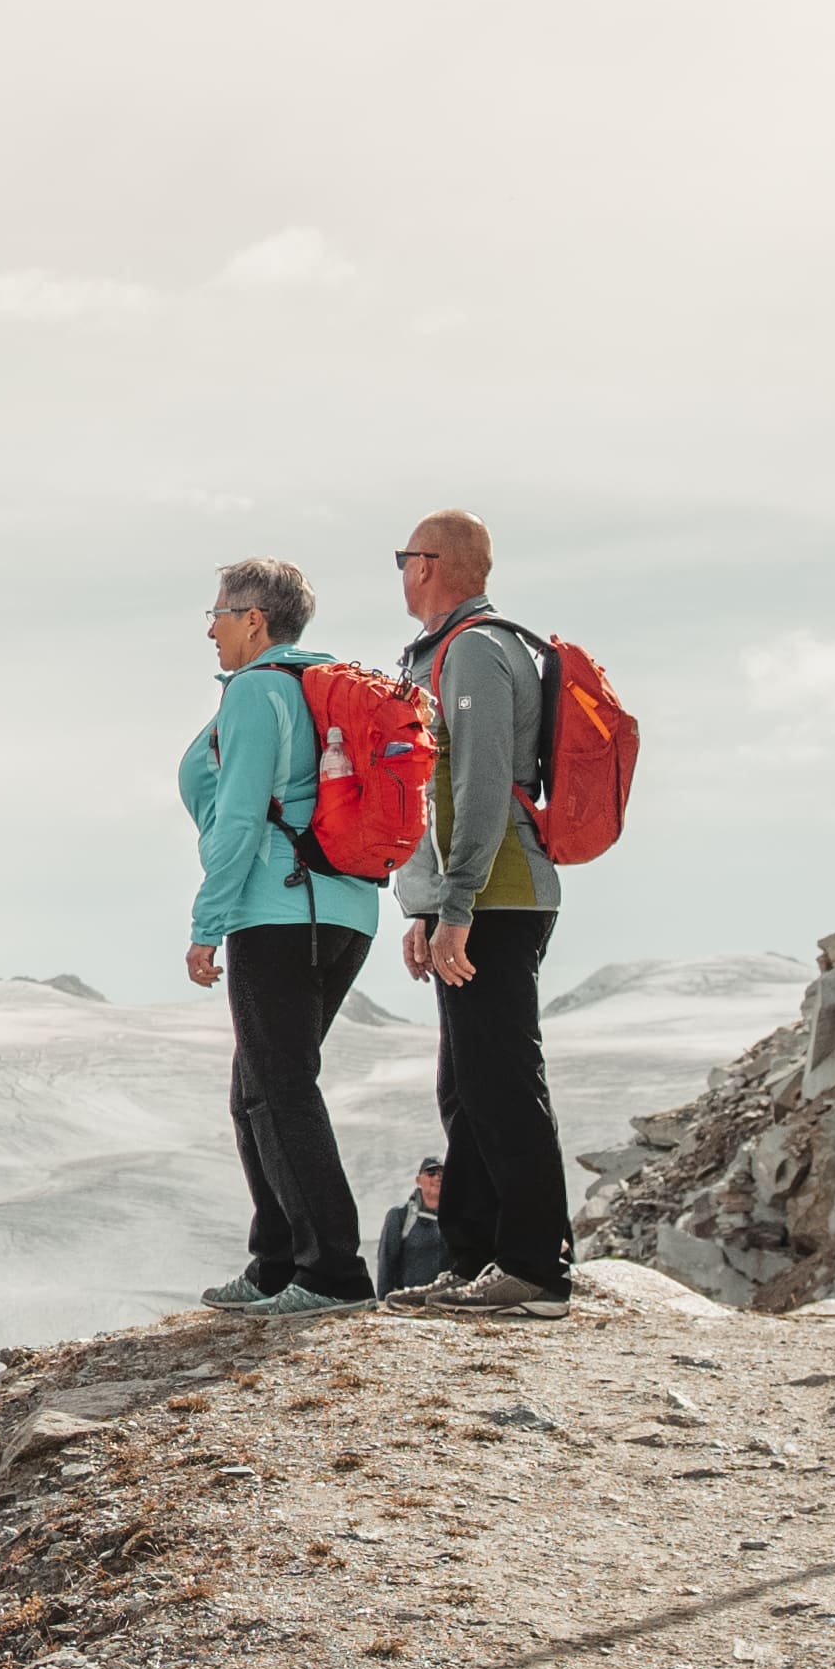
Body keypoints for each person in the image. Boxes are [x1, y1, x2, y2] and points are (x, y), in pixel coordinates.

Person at [382, 505, 578, 1306]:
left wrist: (454, 903)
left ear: (428, 565)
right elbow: (442, 796)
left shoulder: (477, 653)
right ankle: (469, 1262)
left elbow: (483, 783)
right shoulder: (449, 652)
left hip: (498, 897)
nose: (400, 573)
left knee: (501, 1079)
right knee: (464, 1087)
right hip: (469, 898)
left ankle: (536, 1267)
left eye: (404, 558)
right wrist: (428, 908)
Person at [176, 553, 382, 1308]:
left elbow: (237, 817)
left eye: (219, 615)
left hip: (278, 908)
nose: (210, 631)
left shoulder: (260, 690)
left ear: (253, 620)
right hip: (348, 910)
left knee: (281, 1087)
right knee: (258, 1087)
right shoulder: (321, 688)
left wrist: (208, 922)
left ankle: (333, 1274)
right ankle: (276, 1263)